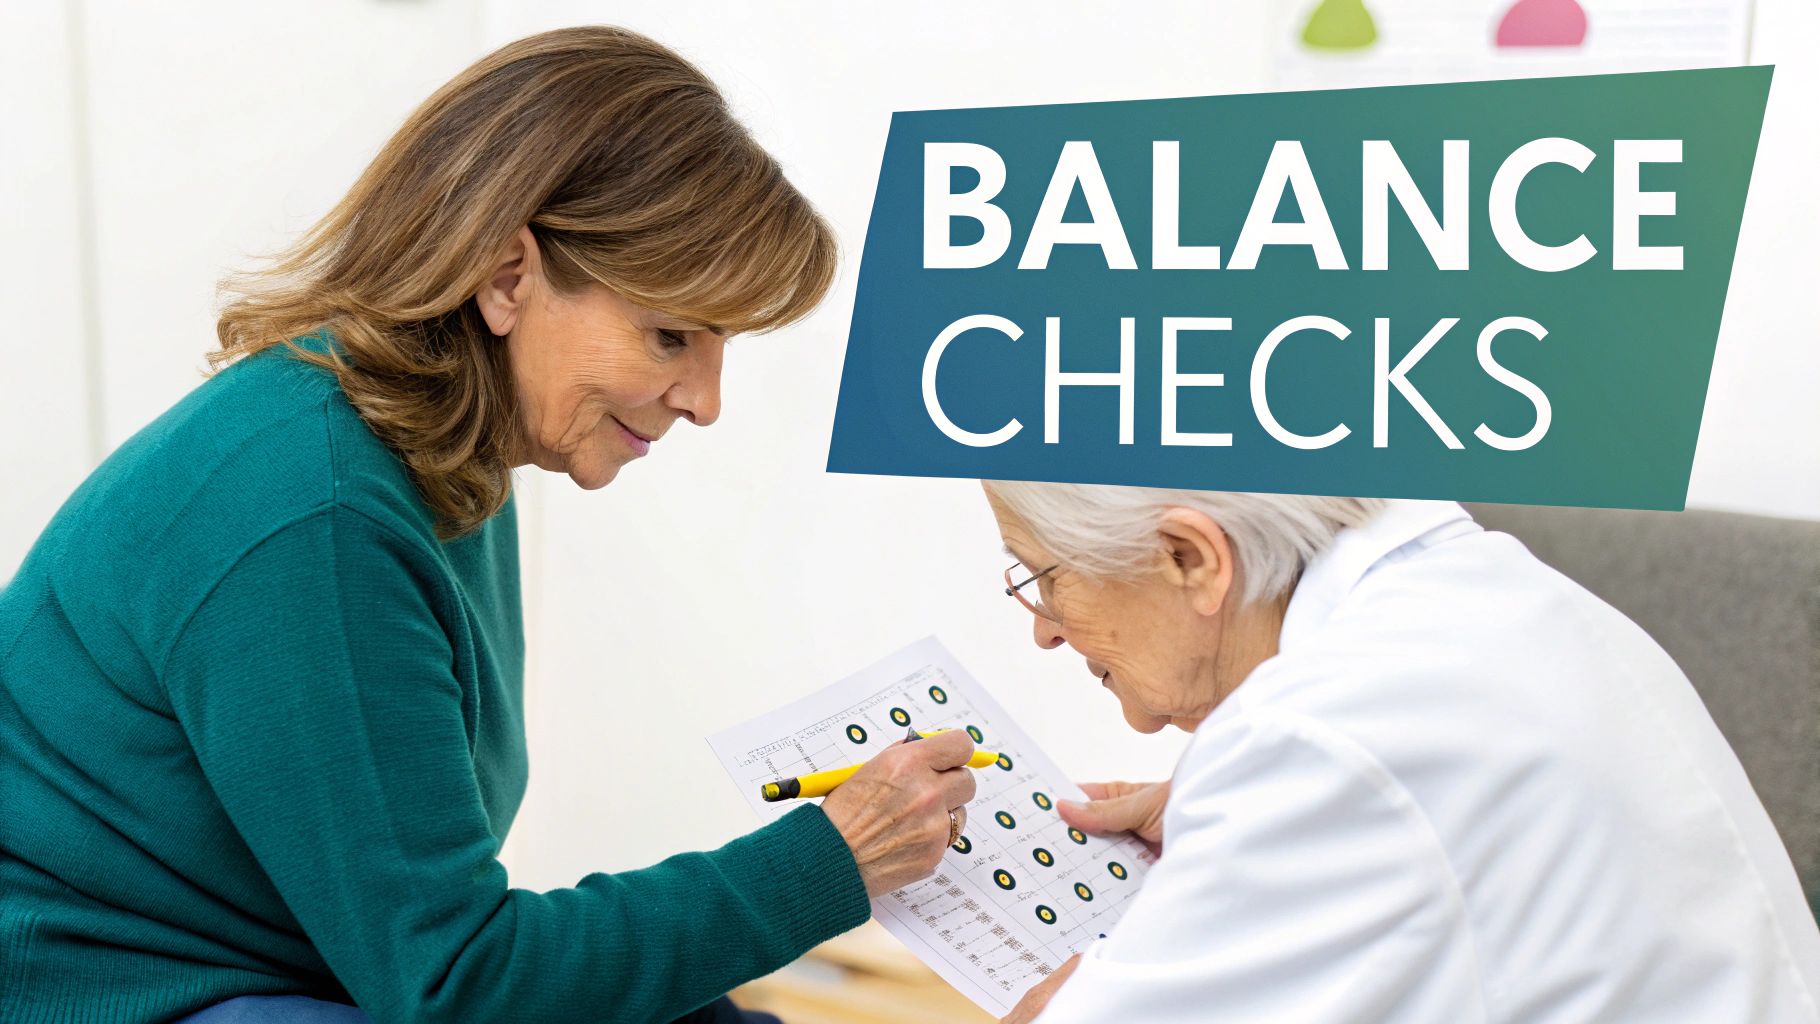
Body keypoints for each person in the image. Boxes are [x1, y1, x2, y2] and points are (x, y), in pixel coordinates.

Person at [0, 27, 979, 1024]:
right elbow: (456, 983)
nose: (703, 400)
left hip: (292, 973)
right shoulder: (316, 511)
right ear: (509, 276)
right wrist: (828, 860)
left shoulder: (433, 457)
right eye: (670, 334)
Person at [981, 485, 1820, 1023]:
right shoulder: (1485, 591)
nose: (1045, 630)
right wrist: (1236, 833)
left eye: (1043, 578)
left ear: (1190, 558)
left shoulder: (1318, 738)